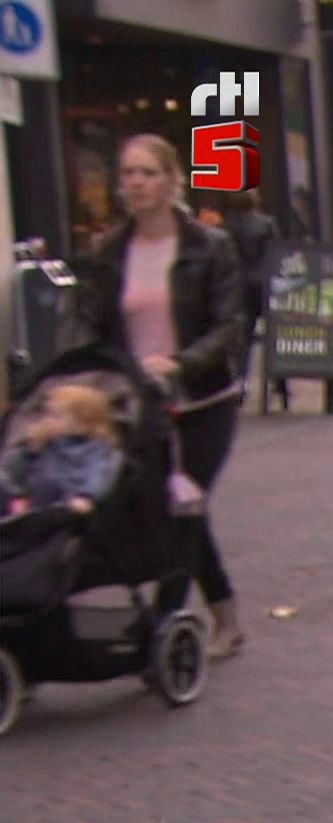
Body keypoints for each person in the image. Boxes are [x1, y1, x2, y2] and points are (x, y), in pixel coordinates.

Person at [77, 133, 246, 657]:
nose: (136, 183)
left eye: (147, 173)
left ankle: (164, 624)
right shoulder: (111, 250)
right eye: (128, 173)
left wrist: (180, 363)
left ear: (173, 180)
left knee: (183, 505)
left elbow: (228, 325)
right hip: (140, 402)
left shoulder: (208, 246)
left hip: (203, 400)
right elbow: (93, 322)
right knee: (177, 508)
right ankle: (225, 617)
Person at [1, 384, 122, 516]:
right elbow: (13, 471)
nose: (47, 421)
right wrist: (31, 449)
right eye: (46, 414)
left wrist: (85, 496)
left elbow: (98, 474)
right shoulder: (48, 443)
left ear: (82, 424)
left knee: (49, 482)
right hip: (28, 498)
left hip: (65, 501)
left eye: (56, 416)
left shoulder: (98, 449)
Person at [220, 188, 278, 401]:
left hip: (239, 285)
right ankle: (279, 381)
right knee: (275, 331)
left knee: (244, 338)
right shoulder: (266, 223)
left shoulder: (226, 226)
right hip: (262, 282)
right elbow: (275, 252)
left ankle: (240, 381)